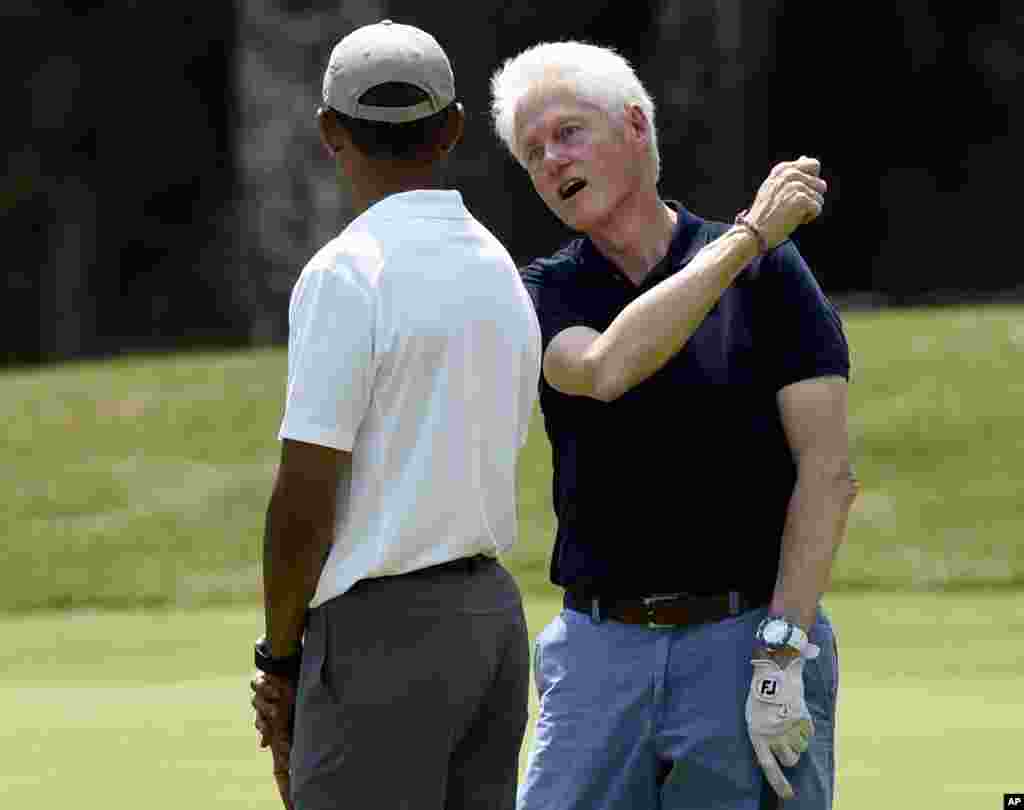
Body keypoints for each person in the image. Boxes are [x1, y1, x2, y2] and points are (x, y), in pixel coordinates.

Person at [488, 41, 858, 809]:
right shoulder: (544, 291)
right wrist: (747, 239)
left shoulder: (774, 276)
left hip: (747, 637)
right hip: (599, 653)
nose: (551, 161)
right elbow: (604, 369)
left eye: (566, 133)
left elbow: (826, 473)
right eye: (531, 153)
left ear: (634, 126)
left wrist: (783, 655)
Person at [249, 20, 542, 810]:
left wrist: (278, 661)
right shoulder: (498, 269)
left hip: (381, 634)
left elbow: (306, 495)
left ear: (328, 133)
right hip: (490, 626)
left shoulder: (346, 273)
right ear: (450, 129)